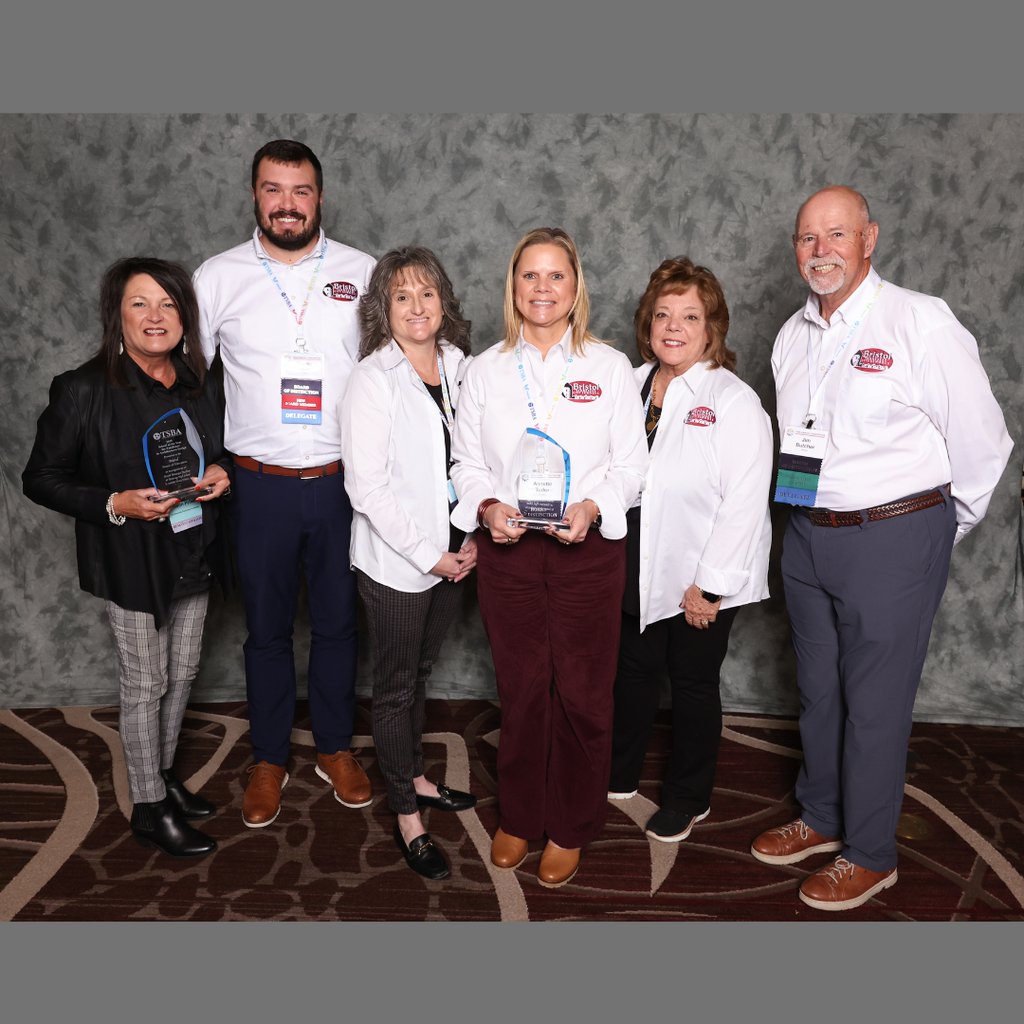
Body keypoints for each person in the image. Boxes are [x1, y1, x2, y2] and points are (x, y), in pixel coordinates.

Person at [751, 186, 1013, 910]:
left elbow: (985, 444)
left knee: (875, 704)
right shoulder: (790, 335)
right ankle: (823, 816)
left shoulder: (919, 321)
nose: (821, 250)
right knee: (820, 692)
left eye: (837, 234)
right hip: (807, 533)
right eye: (808, 238)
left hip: (894, 535)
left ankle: (870, 853)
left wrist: (932, 532)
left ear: (870, 238)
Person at [450, 227, 647, 887]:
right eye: (529, 276)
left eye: (555, 276)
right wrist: (484, 507)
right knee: (523, 691)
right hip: (509, 555)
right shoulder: (485, 369)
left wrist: (592, 507)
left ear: (575, 286)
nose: (542, 289)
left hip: (586, 555)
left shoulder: (608, 367)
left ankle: (571, 824)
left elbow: (632, 465)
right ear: (513, 286)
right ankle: (520, 815)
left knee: (586, 696)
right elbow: (467, 462)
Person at [192, 140, 376, 827]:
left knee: (336, 624)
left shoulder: (363, 272)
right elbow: (188, 384)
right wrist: (203, 459)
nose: (287, 204)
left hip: (340, 482)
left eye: (300, 191)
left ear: (319, 197)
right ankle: (269, 756)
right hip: (257, 485)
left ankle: (333, 746)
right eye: (274, 190)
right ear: (255, 196)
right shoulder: (217, 277)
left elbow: (391, 377)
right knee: (265, 629)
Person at [23, 257, 233, 858]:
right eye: (140, 303)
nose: (155, 317)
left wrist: (221, 471)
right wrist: (115, 501)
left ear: (184, 317)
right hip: (131, 558)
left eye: (168, 304)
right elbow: (40, 478)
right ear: (117, 313)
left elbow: (219, 451)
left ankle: (161, 778)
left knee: (183, 672)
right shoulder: (83, 388)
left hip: (195, 548)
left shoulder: (197, 381)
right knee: (145, 683)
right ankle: (147, 808)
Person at [607, 258, 773, 842]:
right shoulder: (626, 383)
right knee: (632, 672)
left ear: (712, 329)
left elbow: (746, 501)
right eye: (662, 314)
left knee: (693, 683)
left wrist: (712, 585)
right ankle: (618, 770)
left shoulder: (732, 401)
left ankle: (688, 795)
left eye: (690, 316)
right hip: (633, 560)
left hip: (698, 573)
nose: (673, 327)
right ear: (646, 324)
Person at [341, 246, 479, 880]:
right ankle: (405, 813)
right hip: (400, 563)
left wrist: (469, 533)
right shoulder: (374, 379)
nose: (417, 306)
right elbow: (367, 488)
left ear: (442, 302)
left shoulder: (458, 364)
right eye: (402, 296)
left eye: (427, 293)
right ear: (383, 309)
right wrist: (432, 557)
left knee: (422, 668)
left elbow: (474, 460)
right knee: (396, 689)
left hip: (456, 550)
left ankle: (417, 775)